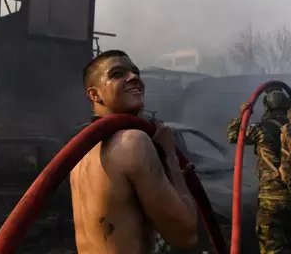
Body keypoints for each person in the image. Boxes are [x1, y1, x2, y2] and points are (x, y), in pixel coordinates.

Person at [70, 50, 199, 254]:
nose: (134, 77)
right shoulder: (132, 142)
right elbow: (186, 236)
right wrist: (171, 156)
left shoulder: (79, 151)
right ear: (94, 94)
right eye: (117, 74)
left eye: (135, 72)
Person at [226, 89, 291, 254]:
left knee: (272, 248)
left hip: (272, 200)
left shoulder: (261, 129)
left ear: (267, 108)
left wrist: (242, 114)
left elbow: (233, 135)